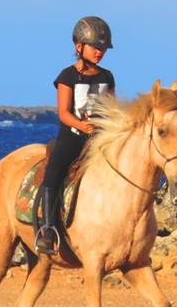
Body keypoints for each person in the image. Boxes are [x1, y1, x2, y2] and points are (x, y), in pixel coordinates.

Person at [34, 16, 116, 255]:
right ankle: (48, 230)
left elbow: (111, 109)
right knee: (53, 173)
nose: (100, 52)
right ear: (79, 46)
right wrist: (82, 126)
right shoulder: (67, 76)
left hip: (100, 138)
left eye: (103, 48)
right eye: (95, 47)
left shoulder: (107, 77)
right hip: (72, 136)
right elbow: (63, 113)